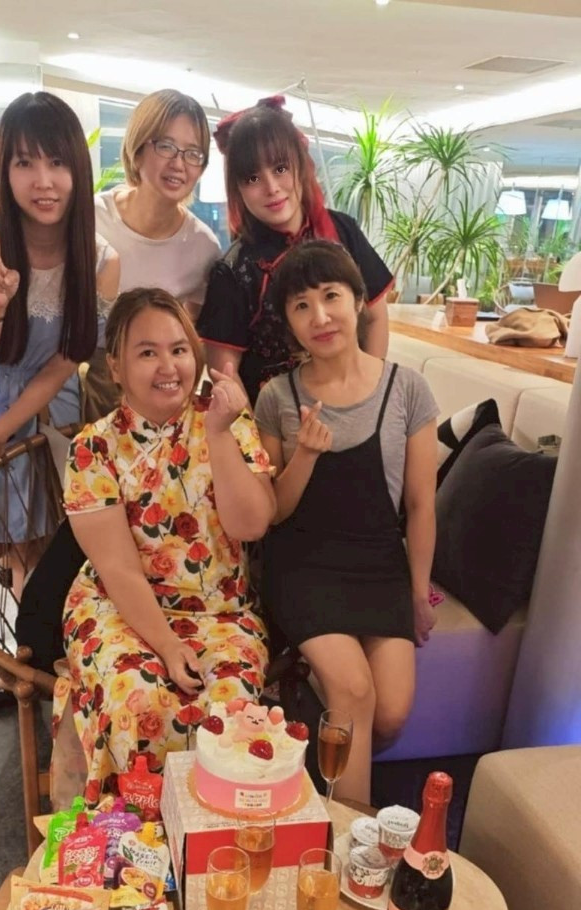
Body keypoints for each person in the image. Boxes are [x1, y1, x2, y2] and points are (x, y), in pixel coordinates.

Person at [54, 287, 275, 803]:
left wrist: (218, 434)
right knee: (140, 699)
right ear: (115, 366)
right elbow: (118, 569)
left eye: (178, 349)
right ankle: (134, 838)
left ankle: (212, 835)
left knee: (229, 711)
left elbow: (251, 525)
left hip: (222, 610)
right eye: (147, 352)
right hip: (119, 607)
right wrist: (169, 646)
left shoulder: (228, 420)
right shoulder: (93, 448)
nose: (168, 366)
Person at [255, 241, 438, 805]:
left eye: (331, 296)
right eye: (301, 306)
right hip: (302, 564)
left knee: (392, 713)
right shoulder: (276, 396)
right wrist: (306, 455)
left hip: (378, 563)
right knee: (355, 690)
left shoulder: (406, 388)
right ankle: (348, 834)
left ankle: (314, 742)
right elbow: (271, 513)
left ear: (358, 300)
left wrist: (417, 594)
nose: (320, 316)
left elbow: (420, 506)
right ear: (289, 323)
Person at [0, 90, 119, 528]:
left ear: (78, 169)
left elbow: (66, 358)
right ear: (5, 170)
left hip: (48, 404)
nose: (43, 181)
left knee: (43, 536)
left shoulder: (101, 262)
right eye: (25, 163)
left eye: (58, 162)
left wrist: (4, 431)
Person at [197, 96, 394, 406]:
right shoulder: (234, 270)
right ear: (237, 188)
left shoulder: (343, 231)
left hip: (355, 405)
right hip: (277, 423)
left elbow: (375, 318)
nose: (271, 187)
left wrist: (369, 400)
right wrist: (261, 436)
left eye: (280, 168)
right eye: (252, 178)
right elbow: (225, 372)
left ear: (300, 165)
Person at [85, 89, 221, 419]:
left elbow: (192, 335)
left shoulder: (202, 246)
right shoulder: (90, 217)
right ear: (138, 149)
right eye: (166, 146)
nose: (179, 164)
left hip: (158, 399)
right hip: (88, 385)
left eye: (193, 153)